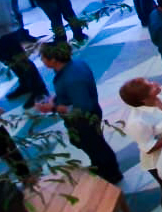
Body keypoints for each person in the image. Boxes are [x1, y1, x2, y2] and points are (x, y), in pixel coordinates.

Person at [36, 42, 123, 183]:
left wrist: (53, 108)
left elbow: (82, 108)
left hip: (84, 120)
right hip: (89, 114)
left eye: (43, 57)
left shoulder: (72, 79)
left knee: (96, 146)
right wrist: (57, 99)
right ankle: (99, 165)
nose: (42, 61)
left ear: (53, 60)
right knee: (88, 143)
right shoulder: (77, 65)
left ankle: (111, 173)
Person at [118, 77, 162, 212]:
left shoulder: (158, 99)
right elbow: (149, 147)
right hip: (158, 160)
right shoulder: (137, 122)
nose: (155, 84)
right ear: (143, 100)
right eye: (150, 86)